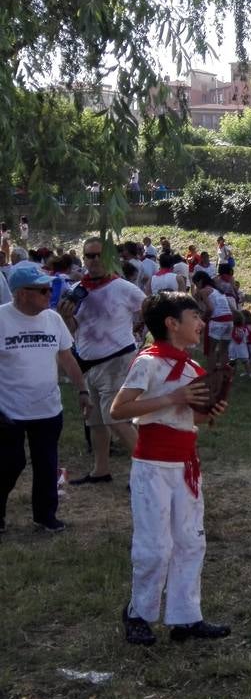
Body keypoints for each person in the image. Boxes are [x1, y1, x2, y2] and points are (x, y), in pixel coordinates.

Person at [110, 290, 230, 645]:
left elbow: (188, 415)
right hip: (152, 465)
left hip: (185, 465)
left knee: (190, 541)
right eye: (195, 318)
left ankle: (186, 617)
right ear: (172, 323)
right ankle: (138, 613)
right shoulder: (148, 361)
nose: (202, 324)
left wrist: (207, 412)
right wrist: (173, 398)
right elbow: (119, 409)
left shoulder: (193, 368)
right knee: (154, 544)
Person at [0, 264, 91, 533]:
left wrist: (83, 390)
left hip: (48, 409)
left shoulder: (52, 319)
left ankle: (45, 516)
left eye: (49, 288)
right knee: (8, 465)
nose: (48, 293)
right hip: (8, 411)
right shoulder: (2, 319)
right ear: (21, 293)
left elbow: (67, 357)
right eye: (42, 290)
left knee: (46, 464)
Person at [56, 237, 145, 486]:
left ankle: (148, 470)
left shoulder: (122, 287)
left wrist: (142, 332)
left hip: (117, 360)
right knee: (94, 420)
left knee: (114, 418)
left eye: (98, 255)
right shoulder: (76, 291)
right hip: (87, 363)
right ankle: (100, 470)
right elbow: (75, 329)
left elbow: (149, 308)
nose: (93, 260)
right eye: (89, 256)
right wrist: (66, 317)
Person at [191, 270, 234, 371]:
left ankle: (211, 373)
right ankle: (224, 375)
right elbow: (232, 309)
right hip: (229, 320)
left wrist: (204, 319)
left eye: (196, 283)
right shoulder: (218, 291)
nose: (197, 287)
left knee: (211, 350)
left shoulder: (204, 291)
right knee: (224, 350)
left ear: (200, 281)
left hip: (217, 321)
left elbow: (210, 309)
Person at [229, 311, 251, 377]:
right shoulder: (244, 329)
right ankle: (249, 373)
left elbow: (230, 336)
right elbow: (246, 337)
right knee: (245, 361)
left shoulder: (232, 328)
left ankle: (232, 374)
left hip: (233, 347)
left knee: (233, 362)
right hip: (242, 347)